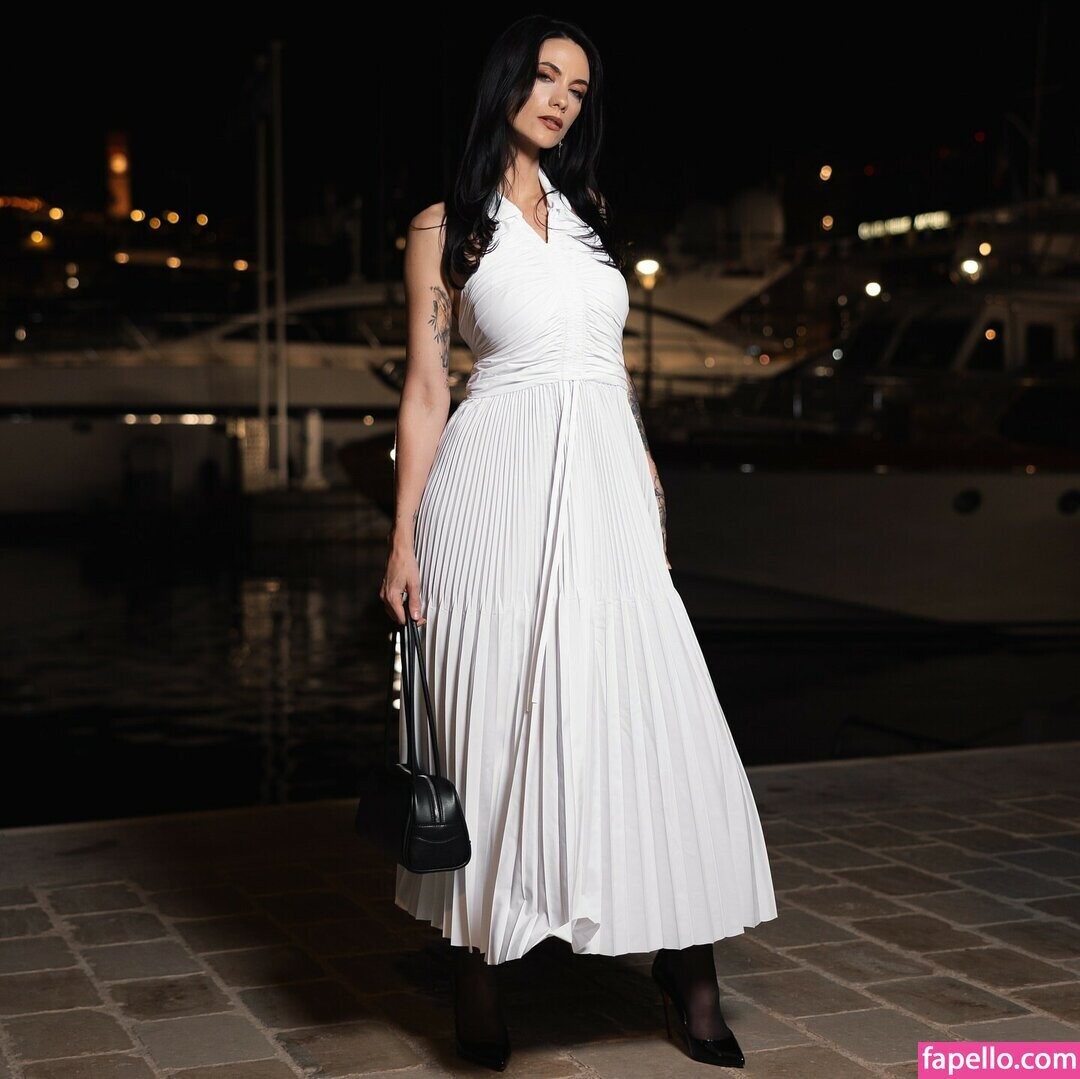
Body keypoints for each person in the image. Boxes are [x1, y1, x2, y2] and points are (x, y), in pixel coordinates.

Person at [379, 14, 777, 1071]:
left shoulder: (589, 214)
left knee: (651, 711)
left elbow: (610, 362)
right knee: (491, 717)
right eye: (547, 77)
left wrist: (642, 465)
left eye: (579, 88)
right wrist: (403, 537)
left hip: (604, 480)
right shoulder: (443, 227)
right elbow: (427, 390)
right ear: (507, 82)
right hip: (491, 484)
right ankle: (478, 962)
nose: (561, 99)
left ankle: (685, 962)